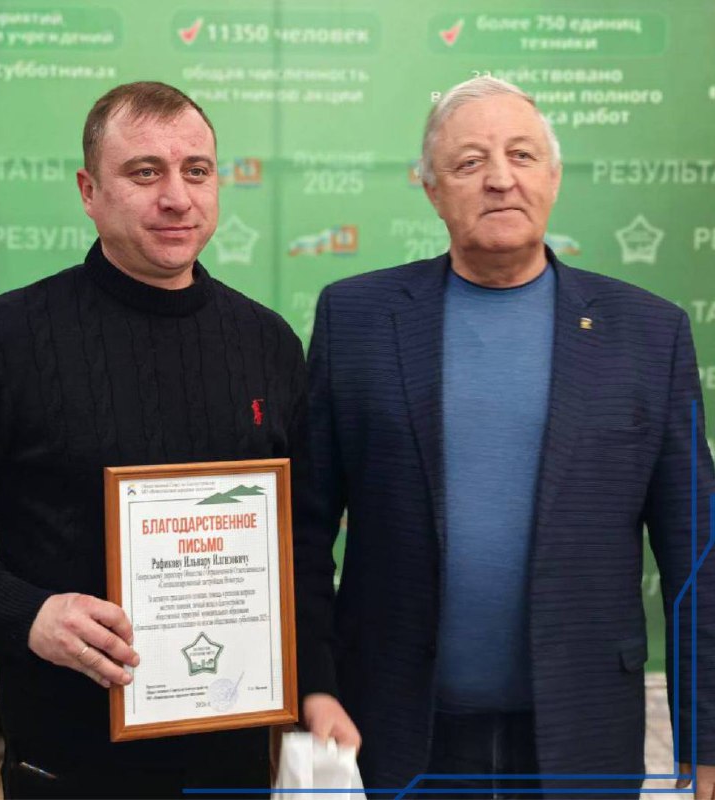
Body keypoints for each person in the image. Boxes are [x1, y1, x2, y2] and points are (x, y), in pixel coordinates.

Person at [294, 76, 715, 799]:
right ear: (431, 189)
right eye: (469, 162)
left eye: (522, 155)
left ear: (554, 177)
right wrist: (313, 683)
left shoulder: (650, 334)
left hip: (583, 735)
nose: (499, 178)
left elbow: (696, 556)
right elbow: (302, 529)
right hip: (395, 728)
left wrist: (706, 746)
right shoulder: (355, 320)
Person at [0, 81, 307, 799]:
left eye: (196, 170)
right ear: (89, 192)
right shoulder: (4, 341)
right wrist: (28, 615)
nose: (177, 197)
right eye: (144, 172)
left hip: (235, 762)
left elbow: (300, 536)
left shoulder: (268, 343)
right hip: (68, 766)